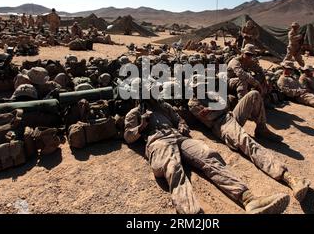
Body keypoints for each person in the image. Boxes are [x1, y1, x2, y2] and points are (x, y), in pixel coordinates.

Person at [124, 82, 290, 214]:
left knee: (209, 155)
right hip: (158, 142)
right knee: (173, 168)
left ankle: (248, 199)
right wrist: (140, 126)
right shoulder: (134, 114)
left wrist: (182, 126)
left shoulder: (164, 107)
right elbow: (128, 137)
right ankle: (190, 212)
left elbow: (179, 120)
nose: (153, 94)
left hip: (179, 138)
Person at [188, 84, 310, 202]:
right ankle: (287, 176)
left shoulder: (209, 93)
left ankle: (261, 129)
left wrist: (213, 107)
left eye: (202, 85)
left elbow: (225, 105)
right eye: (197, 87)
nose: (201, 88)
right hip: (221, 125)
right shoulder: (193, 103)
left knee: (254, 94)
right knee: (247, 142)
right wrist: (218, 107)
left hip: (230, 115)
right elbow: (210, 117)